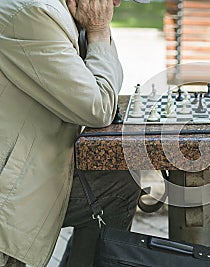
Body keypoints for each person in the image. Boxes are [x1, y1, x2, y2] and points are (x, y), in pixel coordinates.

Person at [0, 0, 149, 266]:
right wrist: (100, 31)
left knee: (119, 181)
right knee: (117, 185)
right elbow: (98, 106)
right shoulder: (36, 13)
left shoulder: (59, 12)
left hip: (31, 164)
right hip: (8, 190)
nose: (116, 4)